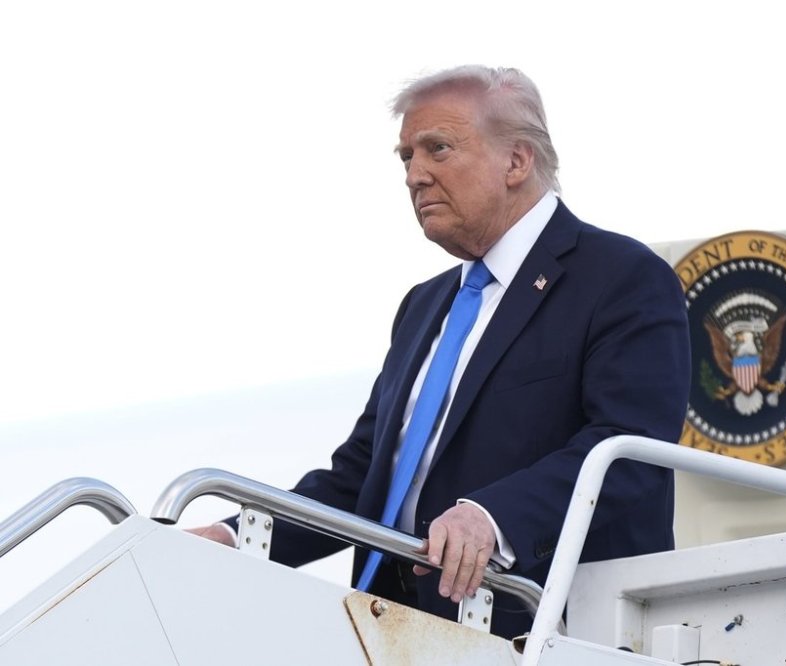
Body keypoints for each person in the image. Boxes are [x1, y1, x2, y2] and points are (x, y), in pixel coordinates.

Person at [193, 65, 691, 639]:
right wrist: (236, 536)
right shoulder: (425, 305)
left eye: (438, 149)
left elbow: (630, 452)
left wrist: (492, 517)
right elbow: (362, 479)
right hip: (390, 628)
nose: (415, 175)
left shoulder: (622, 278)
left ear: (517, 161)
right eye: (406, 156)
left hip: (539, 630)